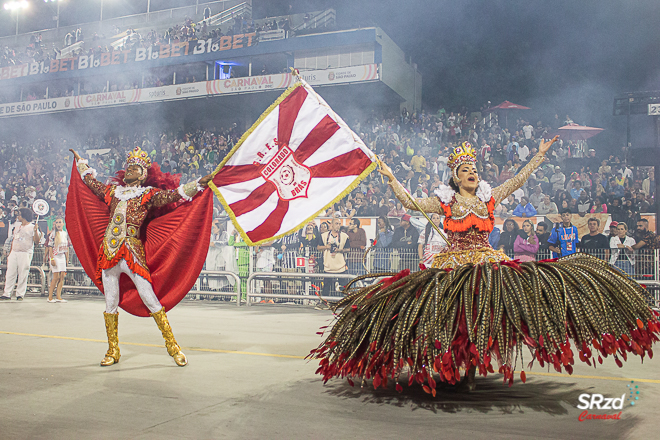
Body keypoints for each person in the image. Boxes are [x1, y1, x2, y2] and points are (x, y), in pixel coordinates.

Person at [312, 138, 659, 394]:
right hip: (454, 267)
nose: (473, 174)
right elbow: (409, 202)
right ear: (455, 177)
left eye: (475, 170)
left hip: (489, 264)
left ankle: (475, 361)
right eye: (466, 171)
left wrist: (538, 156)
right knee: (455, 316)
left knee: (494, 311)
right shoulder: (444, 202)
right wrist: (388, 175)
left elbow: (517, 181)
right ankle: (458, 363)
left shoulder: (489, 197)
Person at [68, 146, 214, 367]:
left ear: (143, 174)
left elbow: (173, 195)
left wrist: (199, 184)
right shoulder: (112, 192)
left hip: (132, 252)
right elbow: (92, 184)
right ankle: (112, 350)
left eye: (134, 168)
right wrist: (82, 164)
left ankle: (173, 347)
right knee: (110, 303)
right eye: (128, 167)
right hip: (108, 252)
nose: (129, 171)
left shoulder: (147, 194)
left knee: (149, 297)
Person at [1, 208, 42, 301]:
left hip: (25, 252)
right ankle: (7, 293)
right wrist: (11, 252)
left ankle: (20, 294)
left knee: (23, 273)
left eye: (19, 214)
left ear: (24, 215)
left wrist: (36, 231)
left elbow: (37, 241)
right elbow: (14, 240)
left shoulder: (32, 227)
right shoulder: (17, 227)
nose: (17, 216)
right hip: (14, 252)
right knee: (10, 273)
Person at [318, 218, 349, 298]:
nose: (338, 226)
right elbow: (318, 247)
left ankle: (345, 303)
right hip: (328, 266)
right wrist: (326, 247)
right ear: (331, 225)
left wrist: (339, 250)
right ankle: (325, 302)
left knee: (344, 287)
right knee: (326, 287)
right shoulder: (324, 236)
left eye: (339, 224)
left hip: (340, 266)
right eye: (336, 223)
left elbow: (348, 249)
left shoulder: (344, 236)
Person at [46, 217, 69, 303]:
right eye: (57, 222)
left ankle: (58, 296)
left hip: (62, 256)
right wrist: (51, 258)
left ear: (63, 224)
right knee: (55, 277)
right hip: (55, 256)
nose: (58, 224)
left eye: (60, 222)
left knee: (62, 277)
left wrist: (67, 258)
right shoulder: (53, 234)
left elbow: (66, 247)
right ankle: (50, 297)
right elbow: (50, 247)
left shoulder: (65, 233)